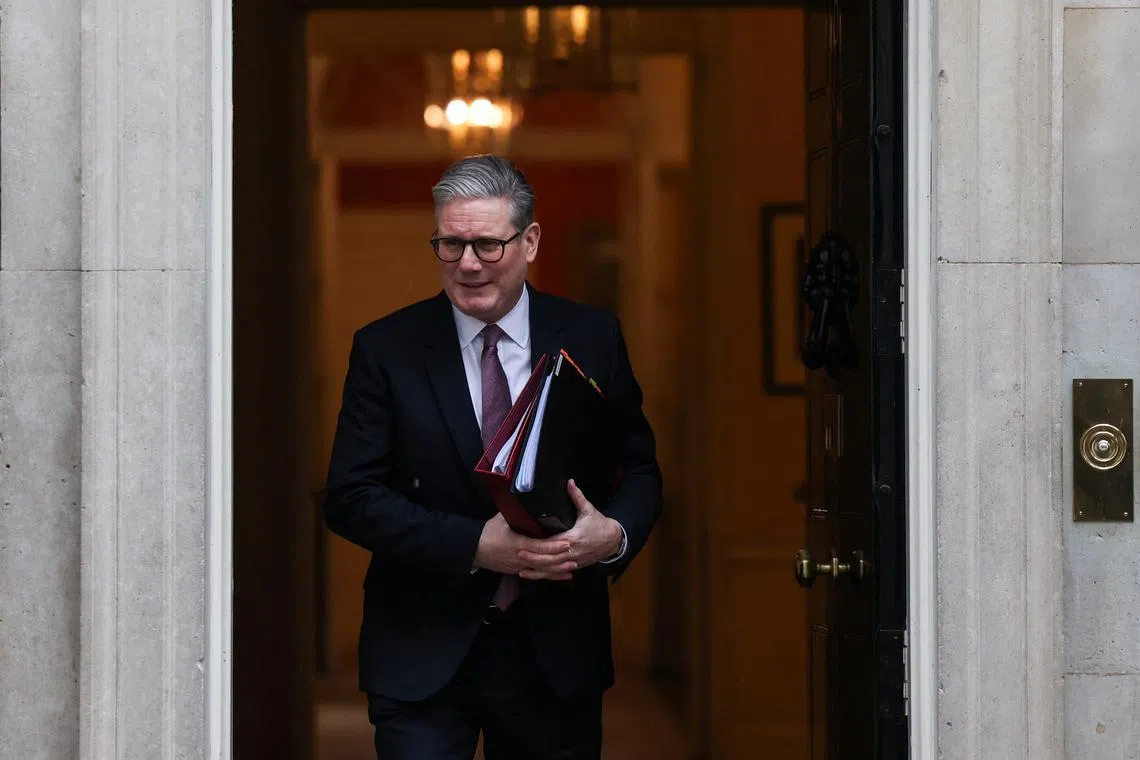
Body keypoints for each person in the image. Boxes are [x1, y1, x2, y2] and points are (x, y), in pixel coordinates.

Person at [322, 154, 663, 760]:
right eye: (450, 245)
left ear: (530, 241)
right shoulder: (386, 348)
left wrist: (610, 536)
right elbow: (352, 498)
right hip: (421, 652)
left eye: (486, 245)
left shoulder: (591, 336)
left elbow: (637, 471)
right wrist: (475, 545)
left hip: (555, 655)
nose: (468, 264)